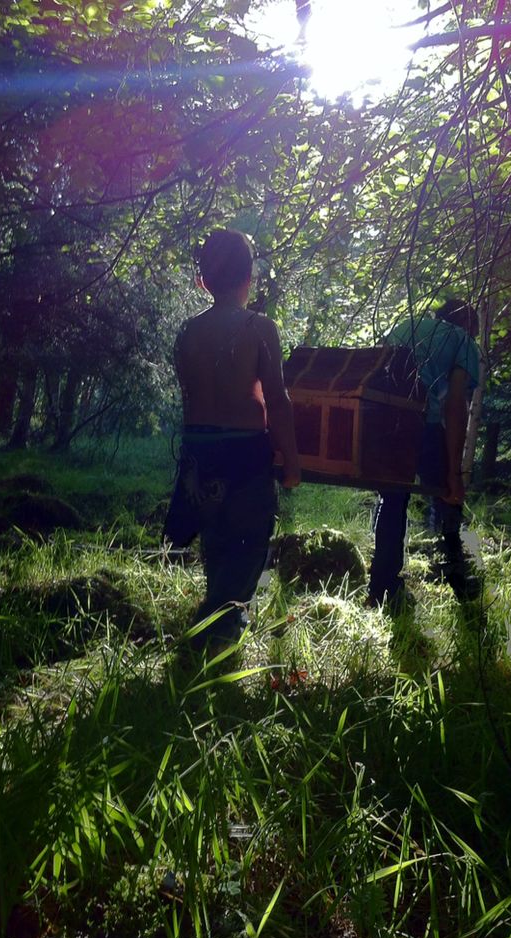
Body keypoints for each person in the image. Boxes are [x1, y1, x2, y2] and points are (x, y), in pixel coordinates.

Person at [163, 228, 301, 652]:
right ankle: (218, 636)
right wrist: (292, 462)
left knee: (217, 542)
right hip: (245, 456)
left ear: (204, 280)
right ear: (250, 278)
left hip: (200, 454)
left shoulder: (188, 332)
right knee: (247, 548)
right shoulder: (259, 328)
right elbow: (276, 401)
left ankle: (213, 627)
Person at [368, 298, 482, 610]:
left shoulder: (407, 325)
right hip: (422, 425)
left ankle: (381, 589)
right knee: (448, 497)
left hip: (383, 424)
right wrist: (454, 474)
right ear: (470, 326)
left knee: (392, 502)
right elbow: (456, 406)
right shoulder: (463, 341)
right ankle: (460, 584)